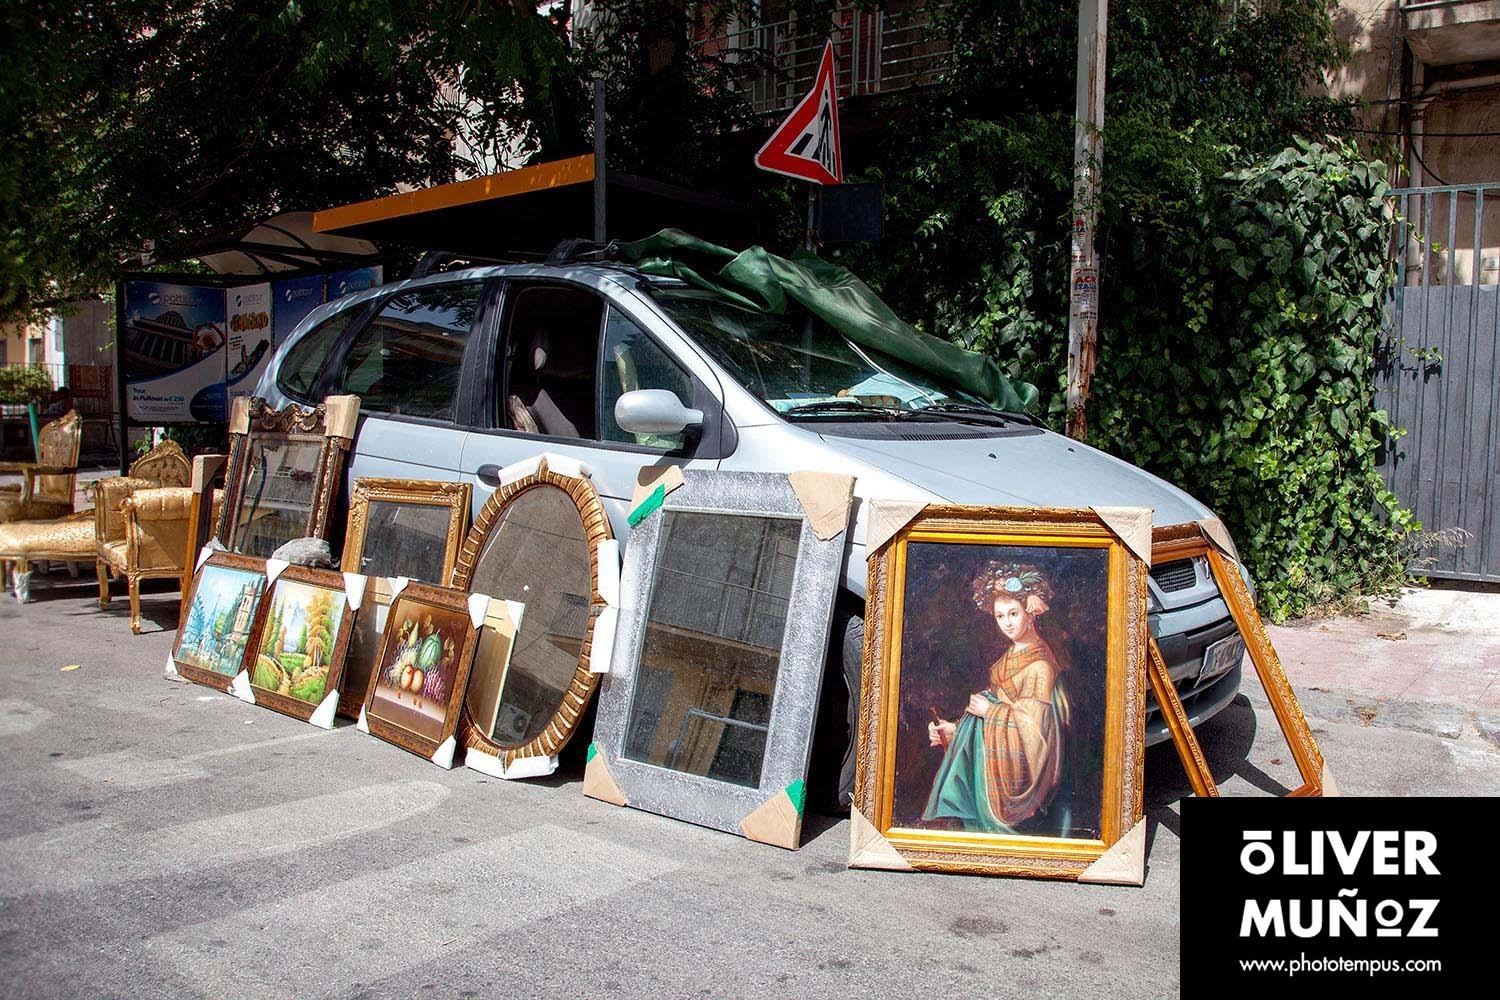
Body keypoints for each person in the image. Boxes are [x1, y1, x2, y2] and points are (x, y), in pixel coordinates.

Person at [923, 562, 1069, 834]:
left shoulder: (1040, 667)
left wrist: (991, 713)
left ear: (1030, 612)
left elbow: (1034, 737)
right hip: (992, 770)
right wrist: (955, 732)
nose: (1007, 623)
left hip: (1014, 786)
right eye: (1000, 616)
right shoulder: (1006, 661)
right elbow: (993, 722)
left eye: (1013, 613)